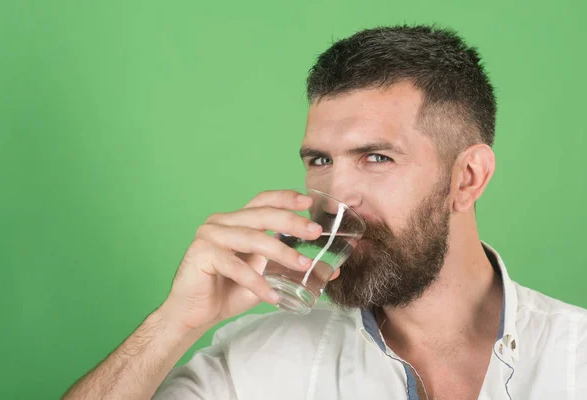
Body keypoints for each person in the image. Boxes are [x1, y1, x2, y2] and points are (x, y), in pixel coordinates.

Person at [62, 25, 587, 400]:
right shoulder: (258, 363)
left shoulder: (576, 357)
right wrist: (175, 322)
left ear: (467, 177)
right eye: (320, 160)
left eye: (376, 157)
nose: (339, 194)